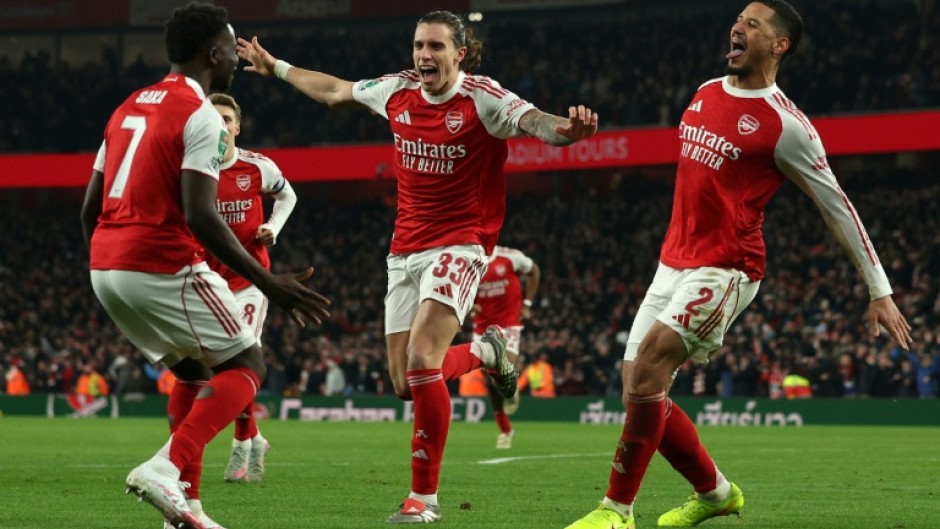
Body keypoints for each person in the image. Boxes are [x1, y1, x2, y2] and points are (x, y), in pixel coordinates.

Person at [237, 10, 597, 523]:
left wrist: (567, 130)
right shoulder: (397, 90)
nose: (424, 56)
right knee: (405, 383)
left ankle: (422, 500)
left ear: (460, 53)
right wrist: (276, 67)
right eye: (418, 46)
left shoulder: (483, 97)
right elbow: (335, 90)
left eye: (434, 47)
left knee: (425, 361)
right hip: (404, 249)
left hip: (463, 243)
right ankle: (487, 350)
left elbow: (535, 121)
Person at [565, 2, 912, 528]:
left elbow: (837, 206)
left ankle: (616, 512)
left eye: (754, 24)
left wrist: (878, 289)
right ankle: (716, 494)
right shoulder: (705, 91)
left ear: (779, 45)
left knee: (653, 363)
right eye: (739, 20)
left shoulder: (787, 125)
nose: (738, 27)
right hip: (672, 261)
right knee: (636, 383)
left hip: (727, 266)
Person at [79, 3, 330, 529]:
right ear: (212, 51)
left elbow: (88, 209)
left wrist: (109, 267)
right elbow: (201, 215)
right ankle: (164, 467)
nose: (237, 57)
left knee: (192, 374)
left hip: (105, 265)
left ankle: (185, 510)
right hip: (159, 261)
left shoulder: (125, 107)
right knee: (247, 366)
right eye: (232, 46)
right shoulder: (202, 117)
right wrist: (270, 282)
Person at [207, 92, 298, 483]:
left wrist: (272, 229)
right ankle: (255, 437)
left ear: (236, 127)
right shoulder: (192, 170)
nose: (220, 124)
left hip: (251, 280)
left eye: (227, 118)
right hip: (209, 281)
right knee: (223, 367)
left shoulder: (257, 166)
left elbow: (288, 195)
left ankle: (241, 443)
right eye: (212, 117)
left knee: (242, 357)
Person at [460, 245, 541, 449]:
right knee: (489, 378)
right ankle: (505, 428)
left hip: (509, 324)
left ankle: (511, 388)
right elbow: (460, 292)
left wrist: (527, 304)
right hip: (482, 328)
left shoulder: (510, 257)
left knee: (505, 368)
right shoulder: (469, 261)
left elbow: (534, 271)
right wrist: (470, 307)